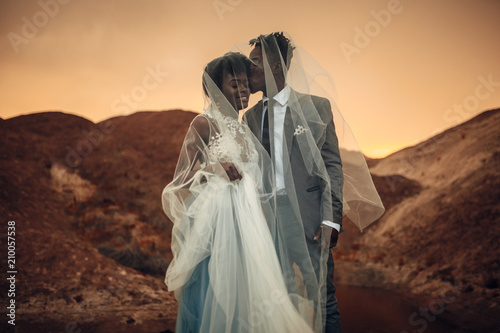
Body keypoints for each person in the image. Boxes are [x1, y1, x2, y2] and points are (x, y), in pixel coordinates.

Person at [242, 32, 385, 333]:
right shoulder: (250, 118)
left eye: (254, 62)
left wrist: (331, 220)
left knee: (322, 299)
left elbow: (332, 165)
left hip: (308, 219)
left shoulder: (316, 107)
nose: (247, 69)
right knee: (277, 299)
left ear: (276, 66)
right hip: (267, 221)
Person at [162, 52, 315, 332]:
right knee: (215, 289)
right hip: (217, 222)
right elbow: (179, 181)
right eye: (235, 84)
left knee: (253, 291)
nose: (244, 89)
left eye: (245, 83)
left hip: (250, 223)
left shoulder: (246, 129)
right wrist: (212, 171)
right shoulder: (203, 123)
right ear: (217, 90)